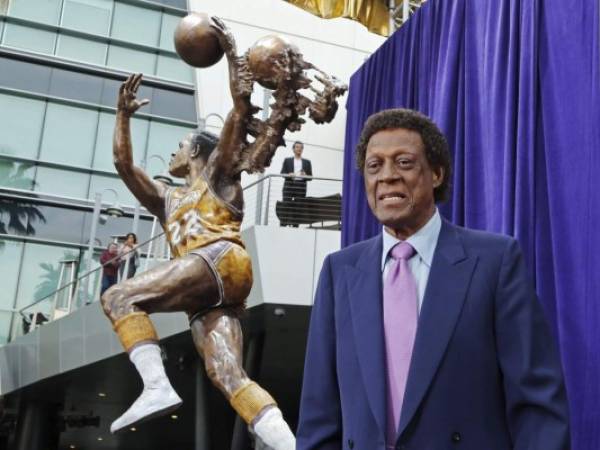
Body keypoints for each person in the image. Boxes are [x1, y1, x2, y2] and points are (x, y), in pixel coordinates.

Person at [99, 15, 346, 448]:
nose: (173, 151)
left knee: (119, 296)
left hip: (217, 258)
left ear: (196, 150)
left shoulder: (218, 172)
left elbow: (240, 109)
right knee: (228, 375)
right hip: (213, 291)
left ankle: (156, 386)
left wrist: (233, 53)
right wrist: (122, 116)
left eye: (180, 145)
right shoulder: (167, 200)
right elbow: (123, 165)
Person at [297, 109, 570, 450]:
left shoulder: (494, 261)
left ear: (436, 173)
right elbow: (318, 418)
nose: (387, 176)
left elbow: (537, 406)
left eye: (404, 162)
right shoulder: (339, 272)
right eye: (374, 165)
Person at [280, 141, 312, 227]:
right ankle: (282, 226)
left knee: (298, 207)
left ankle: (295, 226)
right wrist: (289, 175)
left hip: (301, 186)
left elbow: (310, 177)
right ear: (293, 149)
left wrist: (305, 175)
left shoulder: (307, 162)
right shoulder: (287, 160)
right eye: (297, 147)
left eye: (301, 147)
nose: (299, 149)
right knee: (285, 206)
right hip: (289, 185)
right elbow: (282, 173)